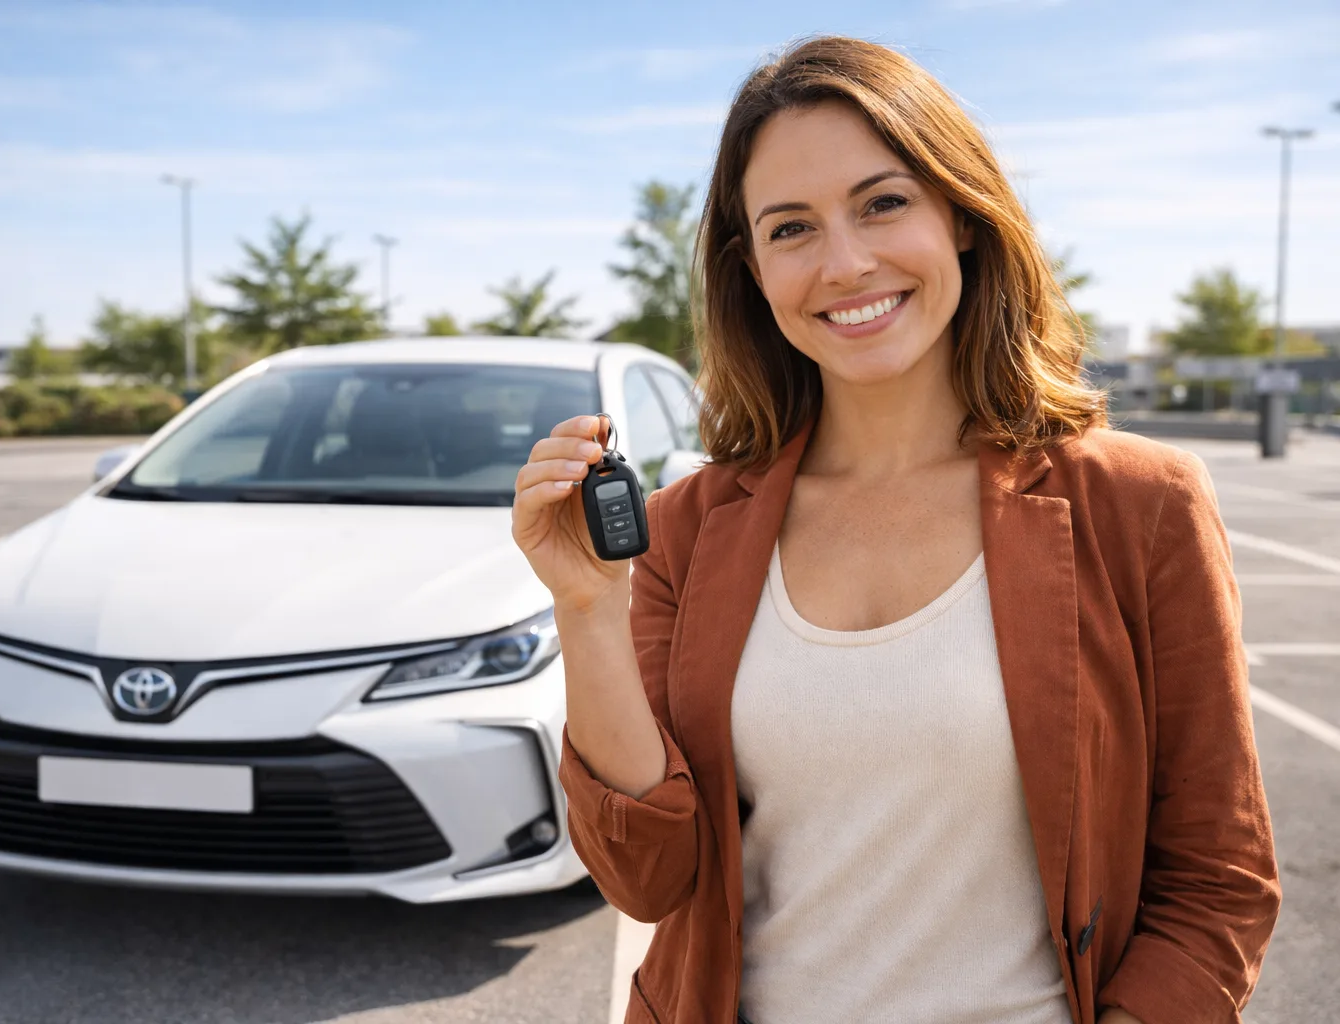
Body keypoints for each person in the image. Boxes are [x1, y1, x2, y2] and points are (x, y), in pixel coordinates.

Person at [511, 35, 1279, 1024]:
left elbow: (1220, 880)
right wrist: (585, 608)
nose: (845, 263)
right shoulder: (690, 530)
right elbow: (647, 881)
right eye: (792, 228)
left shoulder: (1141, 503)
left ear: (959, 212)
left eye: (883, 202)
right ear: (751, 268)